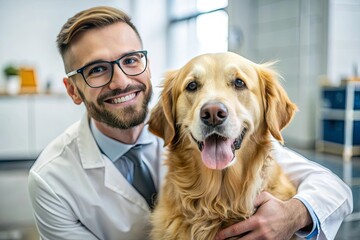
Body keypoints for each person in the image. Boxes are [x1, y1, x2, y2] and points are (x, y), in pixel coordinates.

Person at [28, 6, 353, 240]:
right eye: (97, 69)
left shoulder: (252, 147)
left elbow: (335, 189)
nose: (120, 80)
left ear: (146, 64)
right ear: (72, 89)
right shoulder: (51, 181)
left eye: (130, 60)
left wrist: (293, 215)